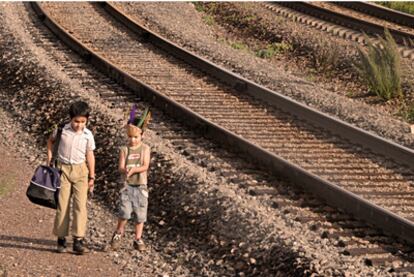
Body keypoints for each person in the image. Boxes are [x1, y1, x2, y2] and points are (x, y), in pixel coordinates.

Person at [47, 100, 96, 255]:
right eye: (76, 121)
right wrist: (49, 159)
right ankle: (61, 238)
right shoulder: (62, 130)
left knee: (80, 206)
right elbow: (50, 141)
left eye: (83, 122)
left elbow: (90, 155)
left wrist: (92, 177)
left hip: (81, 171)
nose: (79, 125)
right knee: (63, 204)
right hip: (63, 170)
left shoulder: (88, 135)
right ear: (70, 118)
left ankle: (78, 239)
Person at [111, 105, 151, 251]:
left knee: (140, 213)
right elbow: (121, 166)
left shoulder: (145, 149)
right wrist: (125, 170)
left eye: (136, 137)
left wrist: (134, 169)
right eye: (130, 137)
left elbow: (145, 165)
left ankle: (138, 238)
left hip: (141, 185)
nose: (133, 140)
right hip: (127, 186)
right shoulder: (124, 149)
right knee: (125, 211)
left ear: (142, 135)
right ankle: (118, 232)